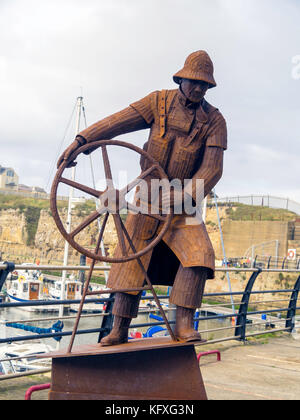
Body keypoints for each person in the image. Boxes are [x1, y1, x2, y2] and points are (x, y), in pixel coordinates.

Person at [58, 50, 227, 346]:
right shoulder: (157, 103)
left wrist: (186, 195)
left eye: (205, 85)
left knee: (200, 257)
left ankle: (184, 324)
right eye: (194, 82)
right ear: (181, 79)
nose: (199, 88)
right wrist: (82, 141)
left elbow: (212, 169)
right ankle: (119, 328)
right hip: (146, 199)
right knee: (130, 259)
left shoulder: (214, 121)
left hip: (185, 208)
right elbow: (117, 122)